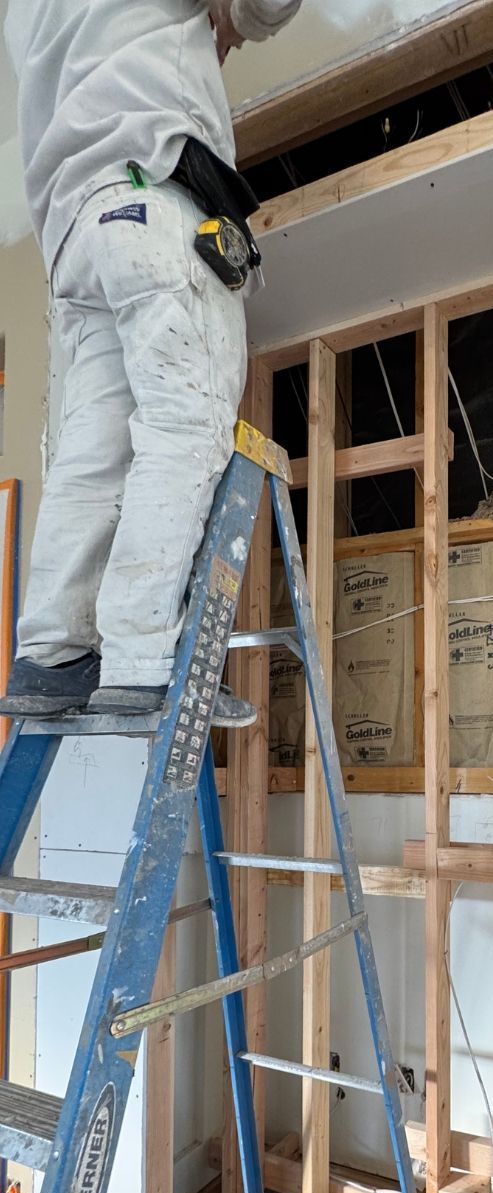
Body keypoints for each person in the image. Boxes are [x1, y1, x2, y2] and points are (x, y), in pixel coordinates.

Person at [0, 0, 301, 723]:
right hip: (152, 188)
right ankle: (141, 661)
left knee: (94, 448)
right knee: (186, 425)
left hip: (75, 228)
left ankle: (51, 653)